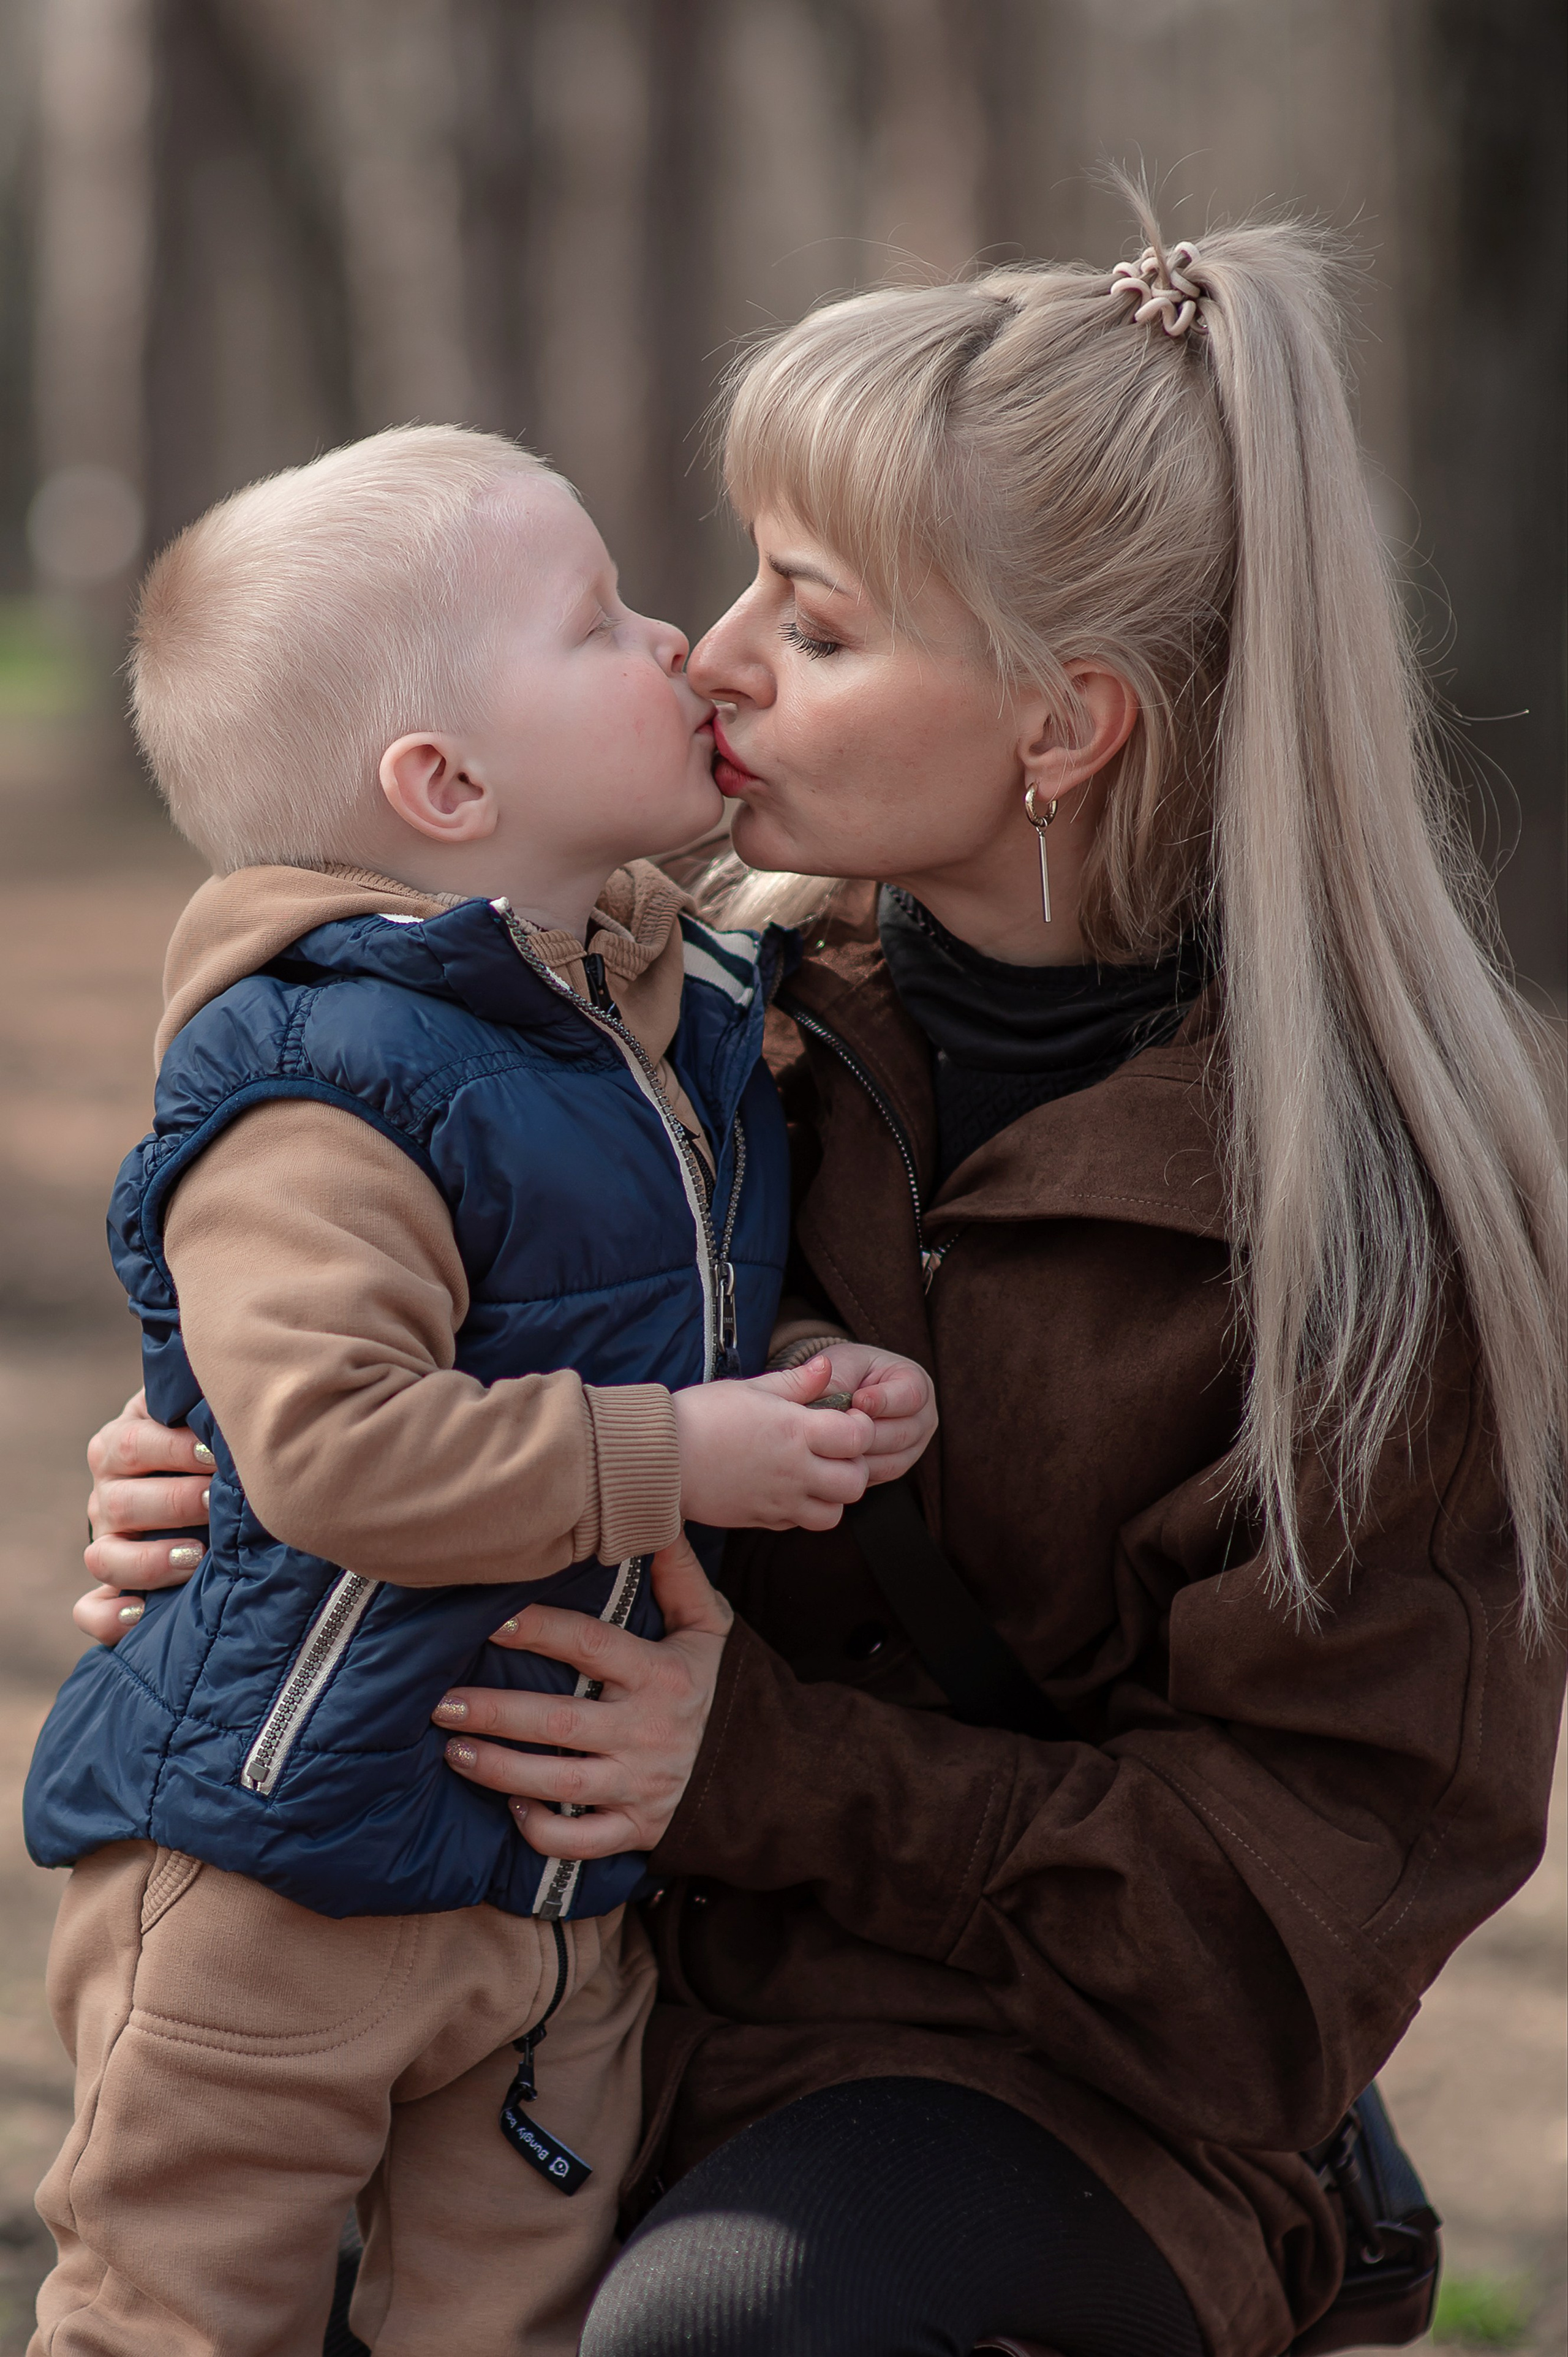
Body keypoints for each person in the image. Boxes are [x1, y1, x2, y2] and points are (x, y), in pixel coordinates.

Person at [77, 203, 1567, 2357]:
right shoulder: (668, 1021)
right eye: (742, 569)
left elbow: (1283, 1938)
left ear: (1065, 727)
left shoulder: (1373, 1227)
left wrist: (755, 1766)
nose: (713, 653)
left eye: (822, 617)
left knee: (724, 2334)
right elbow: (404, 1374)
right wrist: (208, 1479)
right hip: (558, 1971)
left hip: (1052, 2084)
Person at [23, 424, 936, 2357]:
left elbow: (625, 1323)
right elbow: (334, 1447)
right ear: (445, 783)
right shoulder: (319, 1082)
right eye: (599, 620)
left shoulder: (663, 1022)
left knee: (507, 2325)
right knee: (182, 2315)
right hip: (279, 1861)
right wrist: (683, 1451)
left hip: (544, 1895)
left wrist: (793, 1380)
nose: (680, 639)